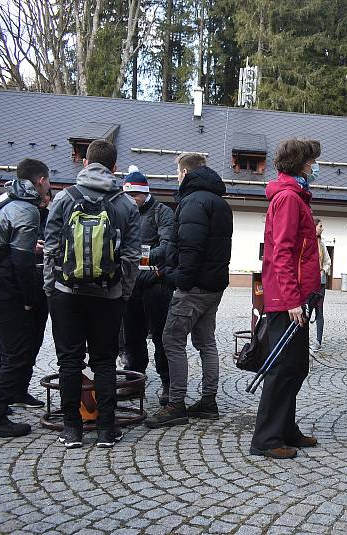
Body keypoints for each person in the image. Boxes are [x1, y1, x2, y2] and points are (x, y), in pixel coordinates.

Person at [44, 140, 141, 448]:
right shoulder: (126, 204)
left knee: (69, 361)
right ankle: (106, 431)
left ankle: (71, 430)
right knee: (104, 361)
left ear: (84, 163)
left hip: (66, 292)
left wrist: (51, 288)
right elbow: (131, 257)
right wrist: (123, 292)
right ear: (114, 168)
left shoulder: (63, 198)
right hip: (108, 295)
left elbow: (50, 249)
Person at [144, 153, 232, 428]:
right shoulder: (220, 202)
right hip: (214, 285)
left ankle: (176, 404)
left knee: (172, 339)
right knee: (206, 342)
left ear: (184, 173)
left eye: (177, 174)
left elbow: (190, 248)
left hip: (193, 287)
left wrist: (178, 279)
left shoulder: (193, 201)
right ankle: (208, 401)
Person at [250, 138, 322, 459]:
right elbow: (281, 251)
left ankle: (286, 428)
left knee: (296, 366)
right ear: (301, 163)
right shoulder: (290, 199)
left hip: (295, 297)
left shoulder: (295, 196)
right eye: (311, 161)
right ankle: (266, 439)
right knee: (282, 369)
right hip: (286, 300)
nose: (314, 165)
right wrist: (293, 299)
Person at [0, 158, 50, 438]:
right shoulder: (27, 208)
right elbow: (21, 262)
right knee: (17, 355)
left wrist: (31, 246)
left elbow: (2, 241)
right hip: (3, 291)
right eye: (49, 182)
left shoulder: (3, 198)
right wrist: (30, 298)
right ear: (41, 181)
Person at [119, 167, 174, 405]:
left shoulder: (161, 212)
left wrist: (140, 257)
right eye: (127, 196)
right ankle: (134, 380)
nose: (131, 200)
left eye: (136, 196)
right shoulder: (123, 212)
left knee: (161, 337)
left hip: (155, 285)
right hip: (130, 284)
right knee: (132, 337)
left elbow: (168, 246)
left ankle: (167, 382)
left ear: (145, 193)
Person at [11, 189, 53, 409]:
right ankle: (7, 390)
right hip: (21, 283)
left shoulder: (50, 216)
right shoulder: (22, 213)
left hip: (41, 281)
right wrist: (31, 246)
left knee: (35, 337)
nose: (46, 200)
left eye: (48, 196)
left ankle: (20, 388)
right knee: (15, 343)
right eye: (44, 195)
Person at [310, 218, 331, 352]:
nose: (322, 229)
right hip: (308, 283)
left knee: (319, 311)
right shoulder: (306, 242)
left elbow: (327, 261)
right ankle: (301, 339)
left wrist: (323, 270)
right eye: (320, 226)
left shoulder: (322, 244)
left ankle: (318, 341)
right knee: (307, 311)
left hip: (320, 283)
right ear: (314, 227)